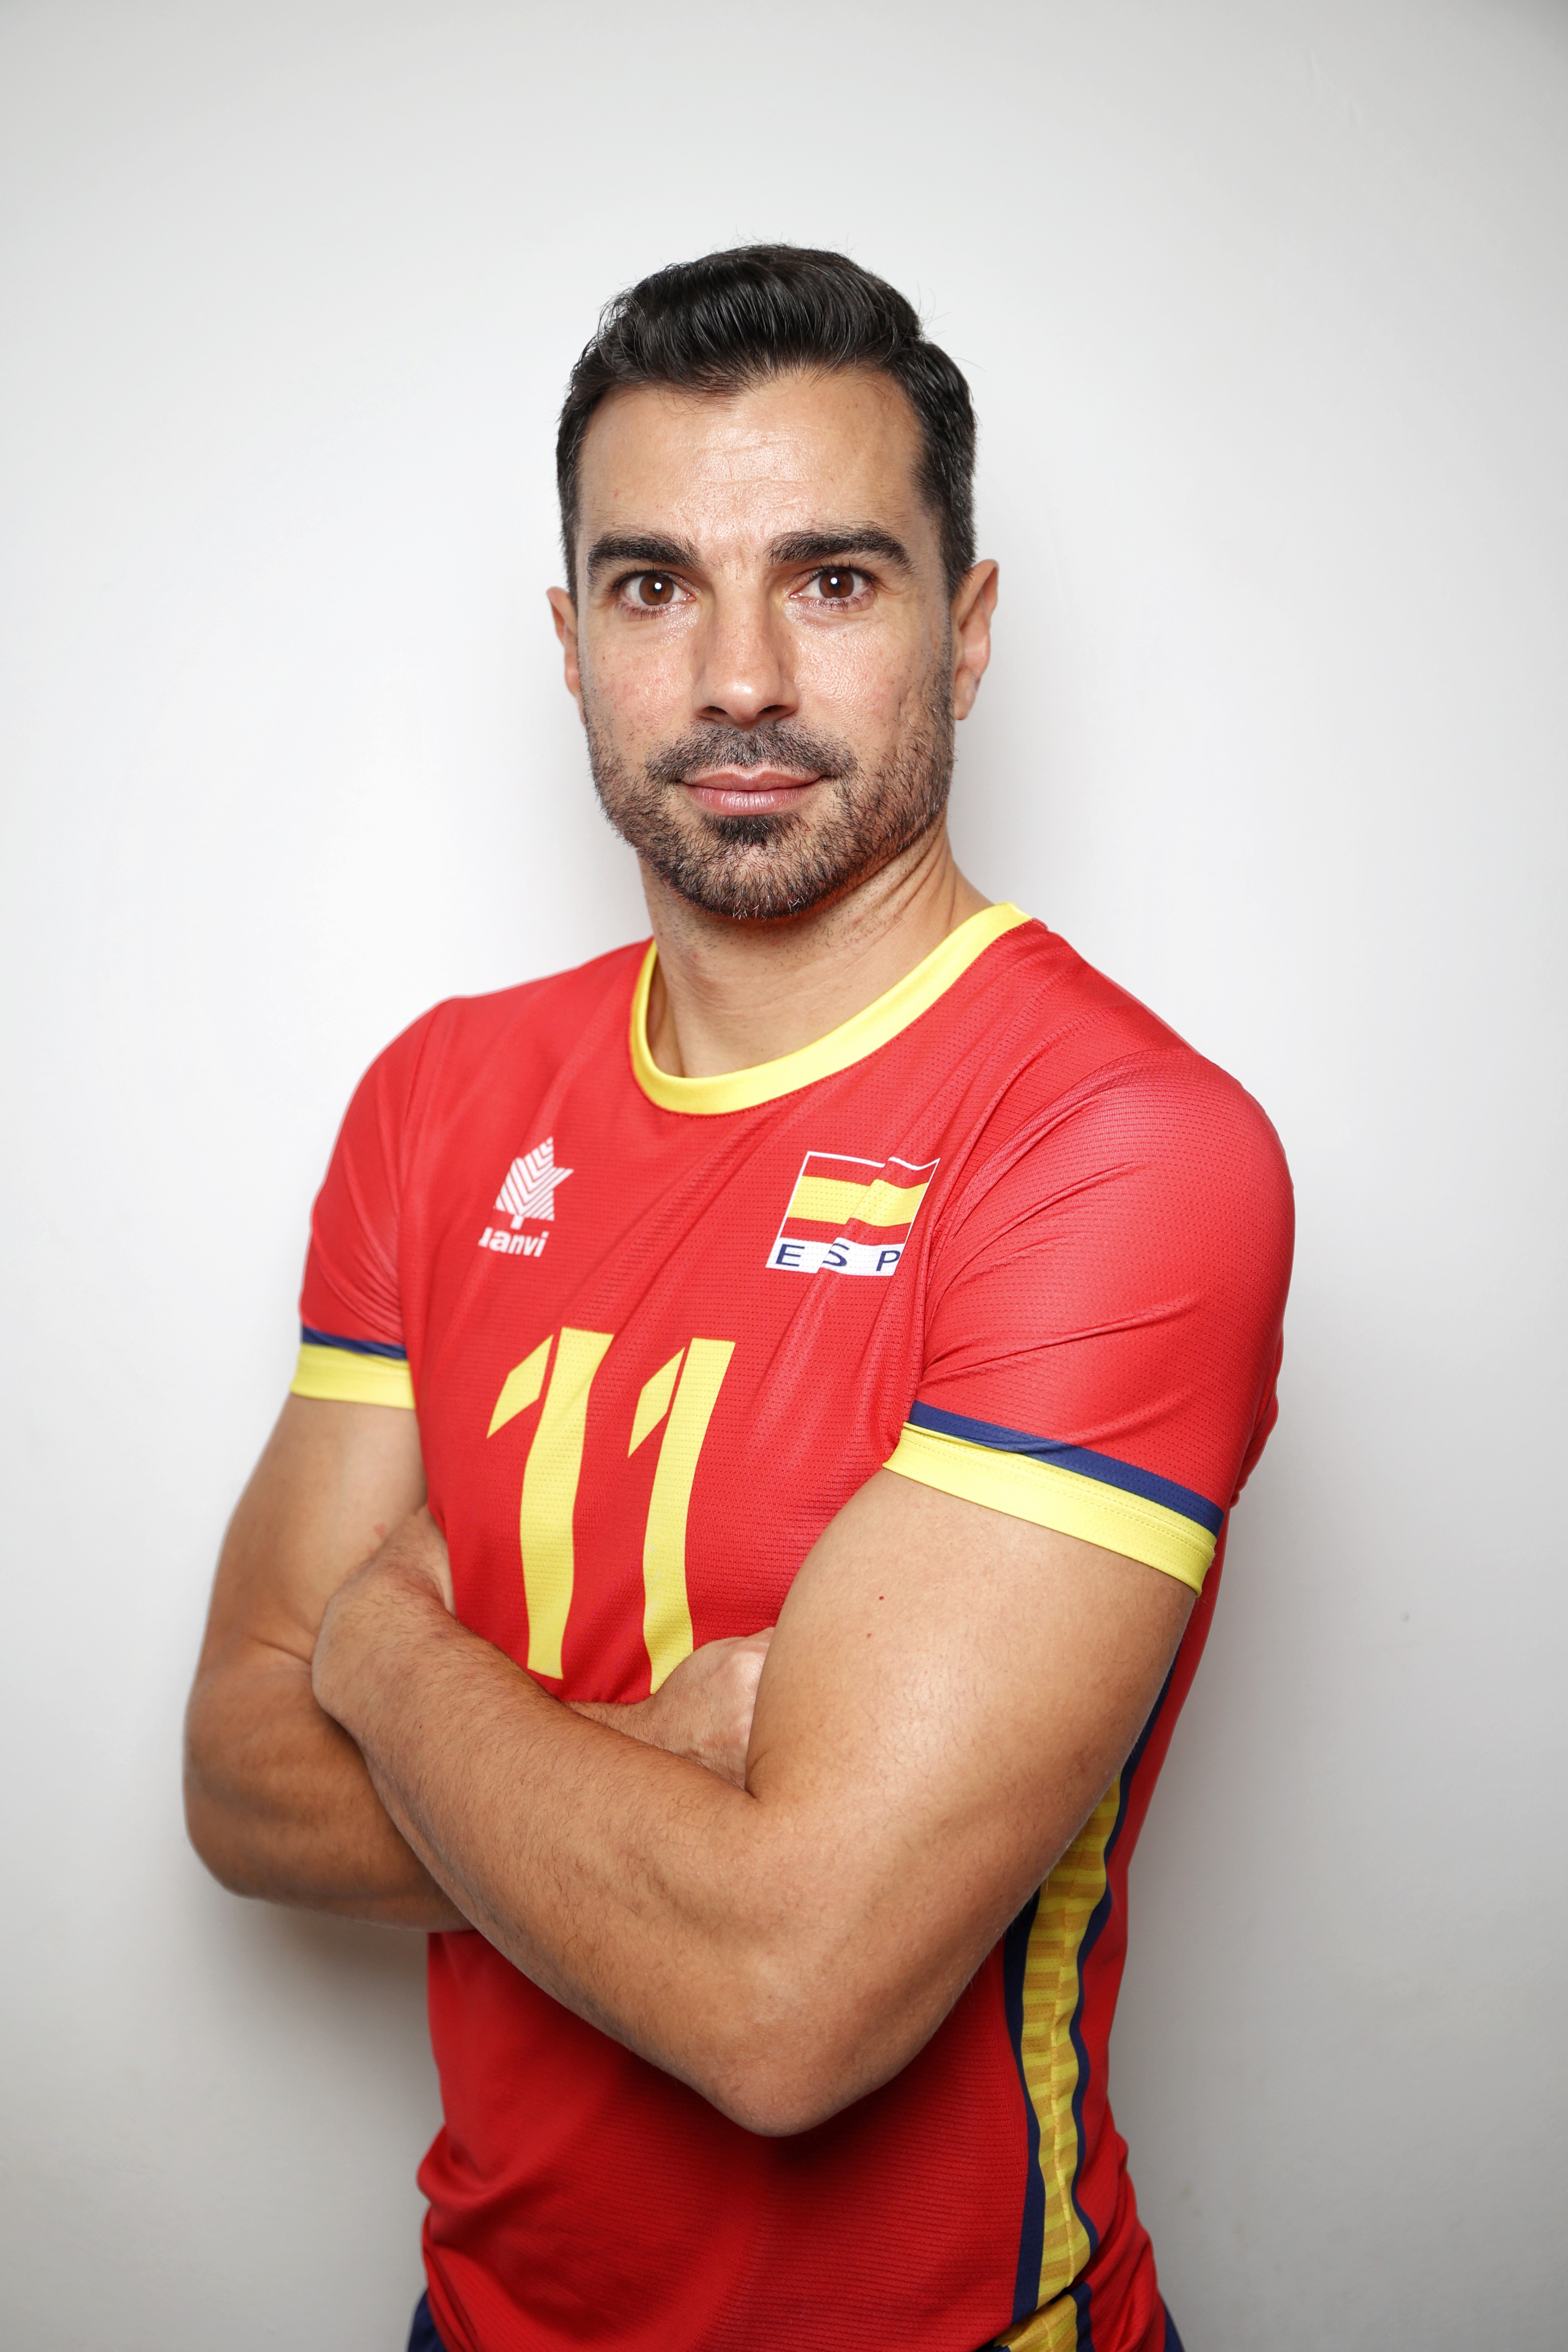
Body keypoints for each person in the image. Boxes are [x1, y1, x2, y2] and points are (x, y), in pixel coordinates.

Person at [185, 244, 1293, 2352]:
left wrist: (382, 1648)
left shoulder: (1121, 1149)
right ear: (571, 643)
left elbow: (789, 1999)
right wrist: (668, 1772)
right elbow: (237, 1785)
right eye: (654, 586)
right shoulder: (441, 1099)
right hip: (474, 2323)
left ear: (970, 628)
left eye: (836, 580)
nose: (741, 679)